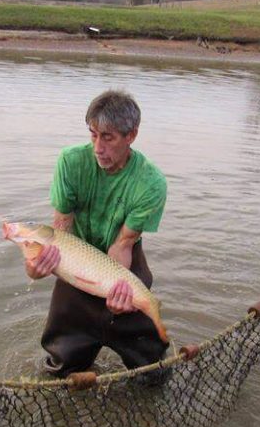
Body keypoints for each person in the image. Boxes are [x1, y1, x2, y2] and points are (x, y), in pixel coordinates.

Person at [27, 90, 168, 377]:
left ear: (131, 136)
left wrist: (117, 291)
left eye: (108, 137)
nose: (97, 148)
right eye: (93, 135)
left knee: (151, 369)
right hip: (76, 252)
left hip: (121, 261)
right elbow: (61, 232)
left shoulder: (151, 182)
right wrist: (36, 265)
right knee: (62, 367)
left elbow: (123, 243)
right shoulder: (70, 162)